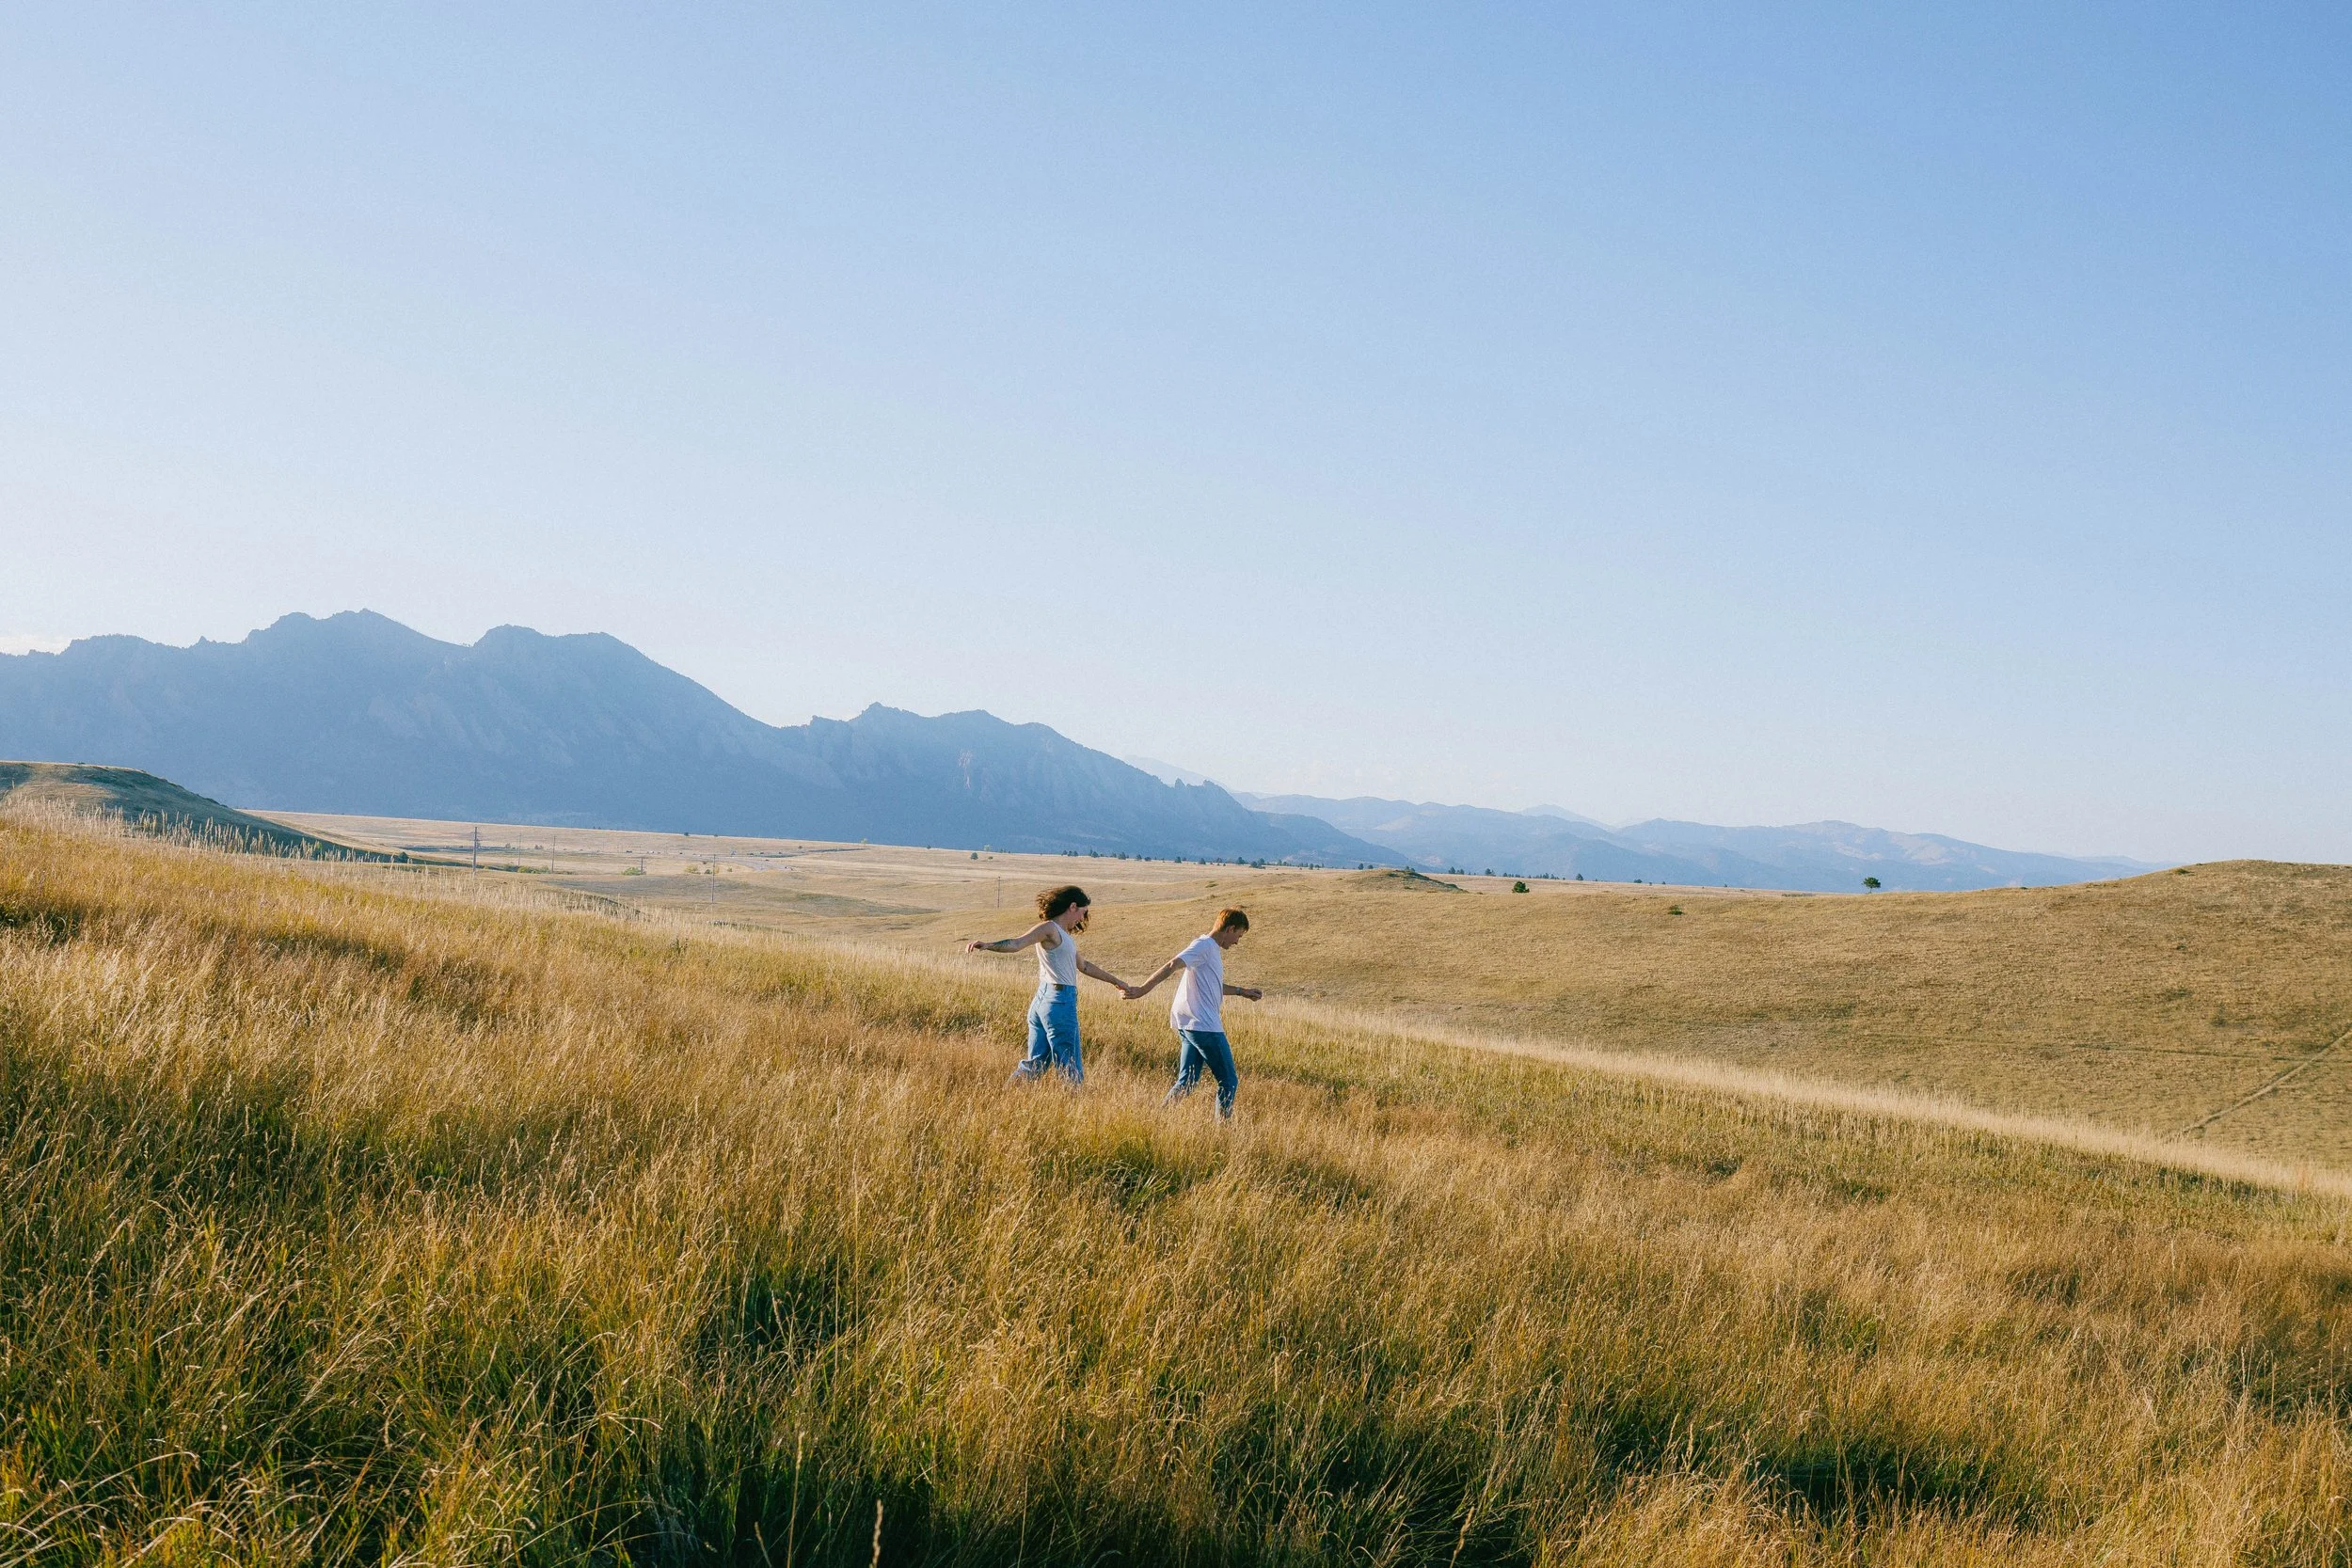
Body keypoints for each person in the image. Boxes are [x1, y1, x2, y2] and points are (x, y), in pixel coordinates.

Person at [966, 885, 1134, 1085]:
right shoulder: (1049, 929)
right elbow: (1017, 944)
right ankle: (1074, 1110)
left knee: (1035, 1064)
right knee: (1070, 1067)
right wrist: (989, 945)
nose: (1081, 919)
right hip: (1059, 1002)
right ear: (1072, 906)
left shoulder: (1064, 936)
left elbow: (1085, 966)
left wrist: (1116, 981)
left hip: (1043, 1001)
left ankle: (1008, 1094)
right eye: (1082, 912)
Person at [1126, 908, 1261, 1117]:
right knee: (1229, 1080)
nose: (1237, 942)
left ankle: (1159, 1119)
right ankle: (1223, 1132)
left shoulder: (1210, 949)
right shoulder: (1204, 945)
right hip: (1204, 1025)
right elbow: (1172, 964)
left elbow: (1213, 984)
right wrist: (1142, 989)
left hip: (1189, 1025)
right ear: (1230, 928)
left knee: (1187, 1081)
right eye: (1238, 936)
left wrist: (1242, 991)